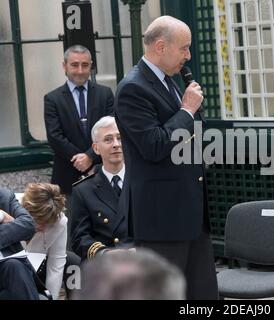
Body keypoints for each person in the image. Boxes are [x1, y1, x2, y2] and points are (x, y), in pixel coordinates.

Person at [114, 15, 218, 299]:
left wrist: (193, 117)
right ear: (160, 46)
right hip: (162, 218)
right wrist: (186, 110)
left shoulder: (169, 79)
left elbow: (190, 134)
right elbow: (155, 145)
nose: (188, 56)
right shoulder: (133, 88)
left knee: (204, 294)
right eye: (184, 48)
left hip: (191, 212)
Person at [44, 45, 114, 195]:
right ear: (64, 66)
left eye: (85, 65)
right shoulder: (52, 99)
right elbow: (54, 136)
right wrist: (82, 159)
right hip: (66, 176)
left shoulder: (105, 94)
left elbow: (111, 130)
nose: (80, 71)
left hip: (101, 171)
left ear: (91, 65)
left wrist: (90, 157)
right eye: (75, 65)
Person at [70, 116, 132, 261]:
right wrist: (105, 253)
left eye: (120, 138)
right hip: (105, 265)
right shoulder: (83, 190)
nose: (116, 144)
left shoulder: (141, 182)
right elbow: (79, 238)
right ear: (96, 148)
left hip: (140, 260)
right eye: (108, 139)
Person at [74, 248, 185, 300]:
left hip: (139, 254)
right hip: (105, 259)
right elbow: (81, 235)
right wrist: (104, 252)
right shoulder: (85, 199)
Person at [19, 183, 67, 299]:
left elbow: (55, 268)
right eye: (37, 221)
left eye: (47, 223)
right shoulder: (8, 209)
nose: (42, 227)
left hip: (35, 278)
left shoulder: (60, 221)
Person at [0, 187, 39, 299]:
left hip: (6, 267)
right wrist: (9, 220)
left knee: (15, 265)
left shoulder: (4, 196)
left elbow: (28, 225)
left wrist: (2, 215)